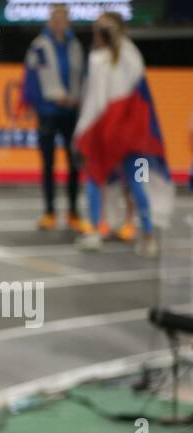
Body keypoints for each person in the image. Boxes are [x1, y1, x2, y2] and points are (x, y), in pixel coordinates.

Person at [73, 12, 166, 258]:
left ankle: (112, 231)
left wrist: (80, 133)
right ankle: (137, 234)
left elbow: (97, 102)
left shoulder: (119, 57)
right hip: (121, 134)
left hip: (118, 135)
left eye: (101, 30)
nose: (98, 34)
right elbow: (96, 101)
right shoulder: (116, 56)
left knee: (113, 179)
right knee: (120, 181)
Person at [22, 3, 85, 232]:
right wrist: (44, 102)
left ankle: (73, 212)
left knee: (74, 162)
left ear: (67, 20)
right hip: (48, 112)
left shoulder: (75, 45)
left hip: (71, 112)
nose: (59, 22)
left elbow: (82, 77)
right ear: (50, 20)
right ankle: (49, 212)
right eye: (55, 18)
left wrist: (77, 99)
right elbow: (31, 79)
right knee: (48, 164)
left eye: (63, 18)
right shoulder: (39, 45)